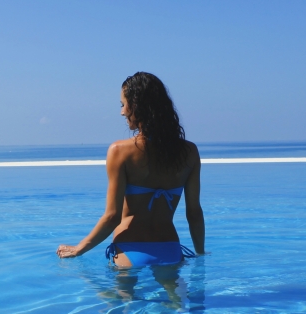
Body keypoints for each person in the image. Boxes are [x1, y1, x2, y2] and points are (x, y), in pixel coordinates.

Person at [57, 72, 205, 267]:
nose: (122, 112)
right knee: (175, 298)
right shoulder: (189, 152)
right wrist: (201, 253)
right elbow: (194, 213)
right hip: (169, 248)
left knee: (120, 297)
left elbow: (112, 217)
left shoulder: (119, 151)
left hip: (129, 249)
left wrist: (79, 248)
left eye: (123, 105)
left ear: (136, 106)